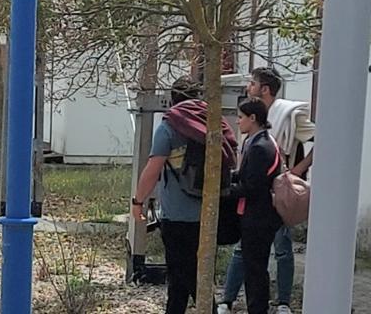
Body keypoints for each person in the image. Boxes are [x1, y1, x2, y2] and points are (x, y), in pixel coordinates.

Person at [131, 78, 237, 314]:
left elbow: (153, 169)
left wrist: (138, 201)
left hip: (177, 216)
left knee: (184, 275)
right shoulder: (212, 122)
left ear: (173, 98)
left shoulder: (169, 126)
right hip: (208, 215)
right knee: (188, 276)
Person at [218, 67, 314, 314]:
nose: (237, 122)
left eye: (252, 83)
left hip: (263, 211)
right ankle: (228, 299)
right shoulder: (258, 138)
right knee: (249, 260)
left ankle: (278, 303)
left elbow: (253, 185)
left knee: (267, 260)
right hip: (257, 212)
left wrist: (295, 171)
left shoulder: (266, 140)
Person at [228, 99, 284, 314]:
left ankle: (258, 309)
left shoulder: (262, 147)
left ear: (253, 118)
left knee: (256, 270)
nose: (237, 121)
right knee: (253, 267)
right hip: (253, 214)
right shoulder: (254, 141)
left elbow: (252, 186)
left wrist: (225, 191)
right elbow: (244, 176)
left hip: (259, 217)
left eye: (241, 117)